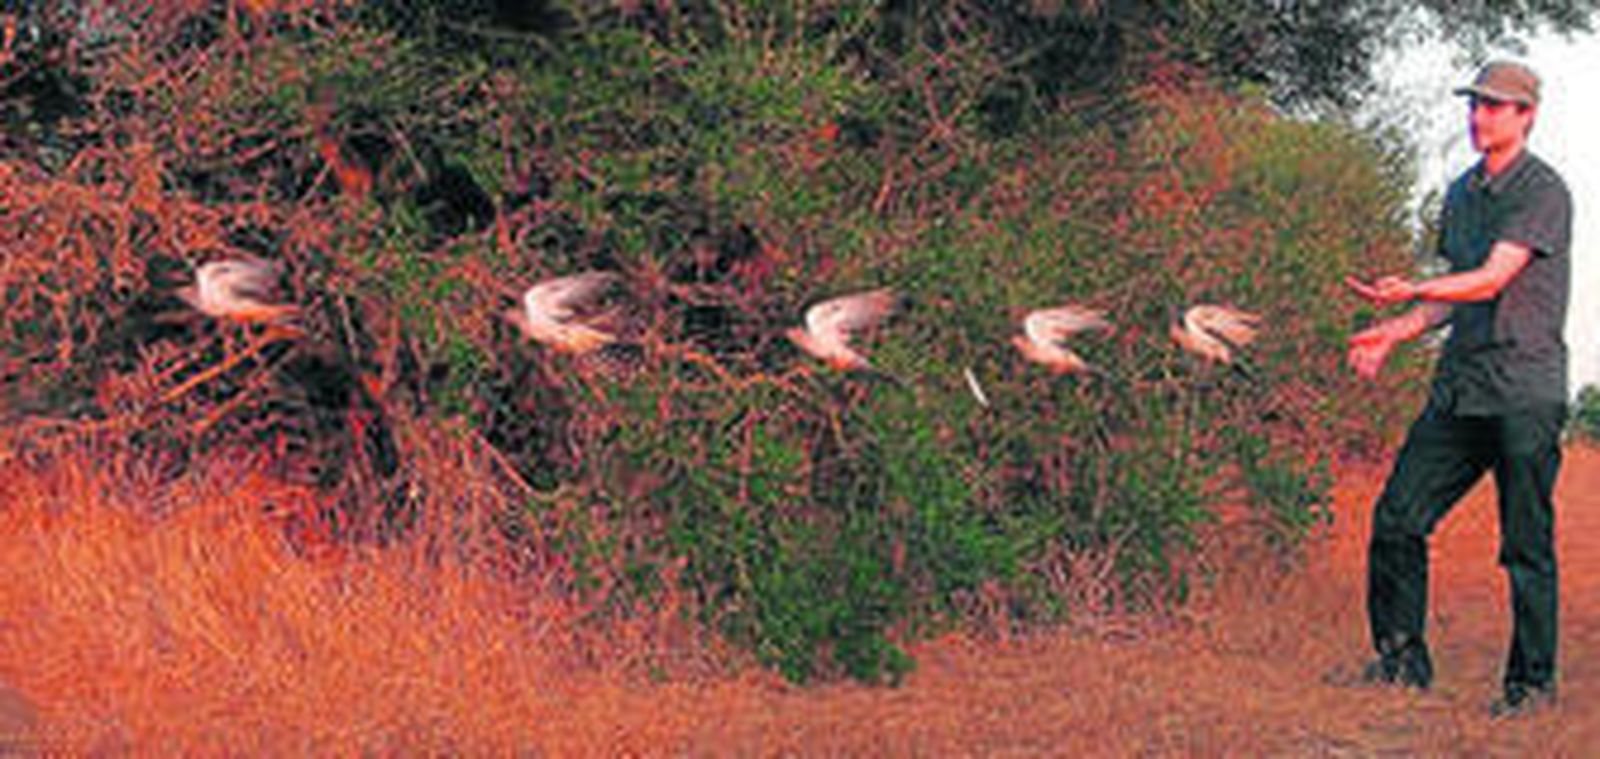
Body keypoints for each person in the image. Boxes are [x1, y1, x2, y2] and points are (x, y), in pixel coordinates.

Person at [1344, 60, 1572, 718]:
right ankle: (1400, 661)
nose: (1480, 117)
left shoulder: (1543, 191)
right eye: (1476, 104)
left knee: (1525, 545)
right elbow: (1450, 298)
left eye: (1497, 107)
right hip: (1461, 388)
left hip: (1524, 389)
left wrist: (1414, 285)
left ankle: (1530, 688)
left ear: (1526, 116)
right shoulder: (1461, 194)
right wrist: (1394, 330)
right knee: (1397, 517)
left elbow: (1491, 279)